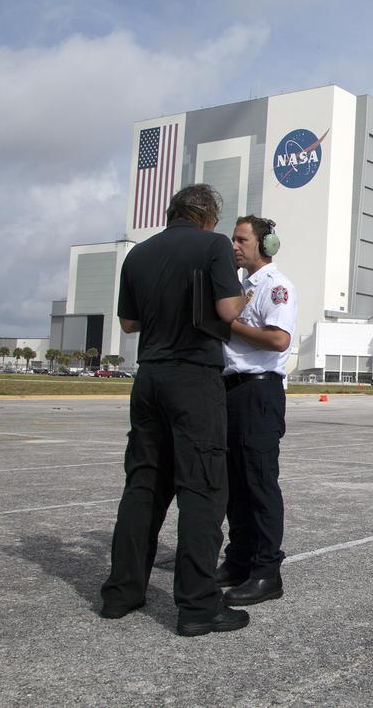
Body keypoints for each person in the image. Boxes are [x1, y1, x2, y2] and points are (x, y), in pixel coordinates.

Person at [99, 184, 251, 638]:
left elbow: (129, 323)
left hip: (149, 378)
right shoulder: (213, 246)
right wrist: (243, 292)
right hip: (194, 378)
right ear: (208, 215)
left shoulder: (138, 255)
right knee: (202, 489)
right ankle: (199, 606)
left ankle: (121, 593)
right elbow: (226, 309)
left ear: (173, 212)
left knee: (143, 485)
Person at [216, 215, 298, 607]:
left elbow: (278, 340)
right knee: (235, 485)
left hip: (259, 393)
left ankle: (267, 572)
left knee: (260, 484)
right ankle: (239, 559)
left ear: (266, 246)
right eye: (232, 239)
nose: (234, 246)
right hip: (231, 391)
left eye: (241, 240)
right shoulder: (239, 288)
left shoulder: (276, 288)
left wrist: (229, 325)